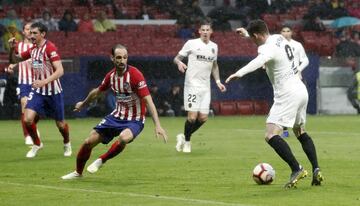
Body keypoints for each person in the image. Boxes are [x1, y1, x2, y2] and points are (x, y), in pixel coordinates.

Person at [225, 20, 323, 188]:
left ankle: (296, 168)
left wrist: (239, 73)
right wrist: (248, 35)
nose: (254, 42)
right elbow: (264, 40)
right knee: (300, 131)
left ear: (257, 35)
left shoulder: (265, 48)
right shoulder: (279, 38)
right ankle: (316, 169)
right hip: (300, 89)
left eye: (253, 38)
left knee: (271, 134)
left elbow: (259, 60)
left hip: (287, 93)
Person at [61, 44, 168, 180]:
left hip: (134, 119)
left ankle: (102, 160)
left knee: (124, 138)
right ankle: (78, 173)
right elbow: (96, 92)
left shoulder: (135, 75)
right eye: (118, 57)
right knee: (89, 141)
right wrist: (83, 103)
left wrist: (157, 125)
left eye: (125, 57)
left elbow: (149, 101)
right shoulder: (111, 76)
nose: (122, 60)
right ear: (112, 58)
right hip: (117, 116)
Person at [6, 22, 72, 158]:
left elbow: (60, 70)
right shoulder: (33, 49)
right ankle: (37, 144)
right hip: (39, 92)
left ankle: (67, 143)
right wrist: (13, 48)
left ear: (43, 34)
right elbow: (16, 59)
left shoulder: (50, 48)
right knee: (28, 119)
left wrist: (43, 81)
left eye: (35, 33)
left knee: (60, 125)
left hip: (54, 92)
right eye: (31, 33)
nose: (32, 35)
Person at [173, 20, 226, 153]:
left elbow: (214, 65)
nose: (205, 32)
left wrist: (218, 81)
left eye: (208, 30)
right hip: (192, 85)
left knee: (203, 118)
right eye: (203, 30)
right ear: (199, 31)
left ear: (211, 32)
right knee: (191, 117)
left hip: (205, 86)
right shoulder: (192, 43)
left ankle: (183, 137)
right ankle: (187, 142)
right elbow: (176, 58)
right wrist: (179, 63)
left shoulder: (214, 46)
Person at [7, 22, 41, 145]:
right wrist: (11, 65)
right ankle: (27, 135)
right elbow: (15, 59)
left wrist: (36, 64)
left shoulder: (38, 46)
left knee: (36, 111)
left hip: (37, 81)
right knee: (24, 103)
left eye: (31, 30)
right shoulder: (19, 46)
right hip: (24, 81)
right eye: (27, 29)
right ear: (23, 32)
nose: (29, 31)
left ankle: (33, 129)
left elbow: (41, 63)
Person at [280, 25, 309, 138]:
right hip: (283, 80)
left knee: (299, 105)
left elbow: (305, 59)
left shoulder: (297, 45)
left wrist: (299, 69)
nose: (286, 33)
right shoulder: (277, 45)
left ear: (291, 33)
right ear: (280, 33)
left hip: (296, 79)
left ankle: (300, 127)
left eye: (288, 31)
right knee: (284, 105)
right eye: (283, 31)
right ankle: (285, 130)